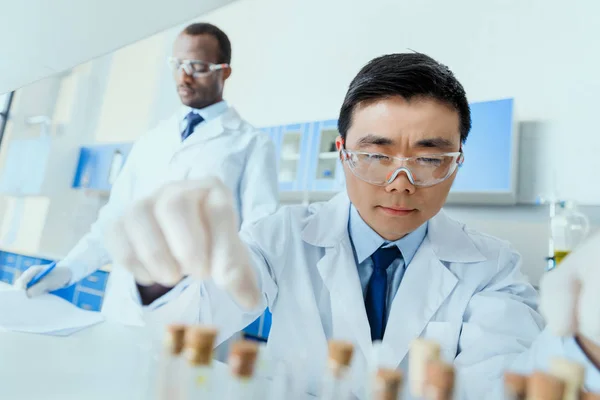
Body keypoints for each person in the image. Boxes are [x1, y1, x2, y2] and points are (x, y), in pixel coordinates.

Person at [107, 53, 600, 398]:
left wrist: (589, 344)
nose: (400, 184)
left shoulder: (492, 267)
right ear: (342, 154)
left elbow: (501, 385)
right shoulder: (280, 237)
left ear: (458, 161)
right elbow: (185, 327)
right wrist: (163, 271)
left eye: (430, 159)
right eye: (375, 155)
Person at [14, 23, 279, 322]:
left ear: (224, 71)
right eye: (178, 64)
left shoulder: (251, 144)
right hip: (122, 306)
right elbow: (114, 221)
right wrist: (67, 270)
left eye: (198, 66)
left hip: (197, 312)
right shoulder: (152, 140)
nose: (184, 75)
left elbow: (260, 242)